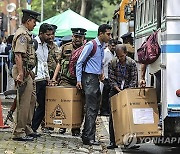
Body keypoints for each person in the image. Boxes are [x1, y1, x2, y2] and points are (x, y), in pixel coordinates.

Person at [76, 24, 112, 145]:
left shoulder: (102, 46)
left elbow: (99, 62)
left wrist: (101, 73)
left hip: (95, 78)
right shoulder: (92, 45)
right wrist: (79, 80)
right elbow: (79, 62)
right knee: (91, 108)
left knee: (95, 108)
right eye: (108, 34)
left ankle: (87, 134)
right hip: (89, 78)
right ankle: (88, 137)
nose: (110, 36)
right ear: (100, 34)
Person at [12, 9, 40, 141]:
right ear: (28, 20)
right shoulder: (22, 35)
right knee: (24, 102)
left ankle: (27, 128)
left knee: (31, 100)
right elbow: (18, 55)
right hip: (21, 71)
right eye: (34, 21)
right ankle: (19, 132)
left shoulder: (27, 34)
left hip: (27, 72)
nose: (35, 24)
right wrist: (21, 73)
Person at [52, 28, 87, 136]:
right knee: (64, 102)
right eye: (75, 36)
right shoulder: (65, 47)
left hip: (80, 81)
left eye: (80, 37)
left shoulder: (86, 49)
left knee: (79, 105)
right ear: (72, 36)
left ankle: (76, 128)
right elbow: (59, 63)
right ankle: (63, 125)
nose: (77, 39)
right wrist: (54, 78)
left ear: (83, 38)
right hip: (65, 79)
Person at [107, 44, 138, 149]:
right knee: (113, 116)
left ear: (126, 54)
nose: (120, 58)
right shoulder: (112, 63)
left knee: (128, 116)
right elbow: (111, 79)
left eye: (122, 56)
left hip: (128, 91)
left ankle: (129, 141)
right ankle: (113, 141)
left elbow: (134, 79)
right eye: (118, 56)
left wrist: (127, 90)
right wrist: (118, 90)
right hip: (115, 91)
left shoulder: (132, 63)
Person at [31, 23, 54, 133]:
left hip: (43, 79)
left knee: (43, 105)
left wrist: (48, 78)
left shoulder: (45, 45)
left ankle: (33, 128)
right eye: (48, 34)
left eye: (51, 34)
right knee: (32, 105)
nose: (50, 37)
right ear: (41, 33)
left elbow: (44, 63)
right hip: (34, 78)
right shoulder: (34, 43)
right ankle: (29, 128)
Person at [100, 39, 117, 116]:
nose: (114, 47)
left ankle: (108, 109)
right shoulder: (105, 52)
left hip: (111, 77)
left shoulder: (115, 53)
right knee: (105, 95)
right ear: (109, 45)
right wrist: (101, 74)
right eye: (112, 45)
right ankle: (103, 110)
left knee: (109, 95)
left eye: (115, 45)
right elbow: (101, 64)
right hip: (105, 76)